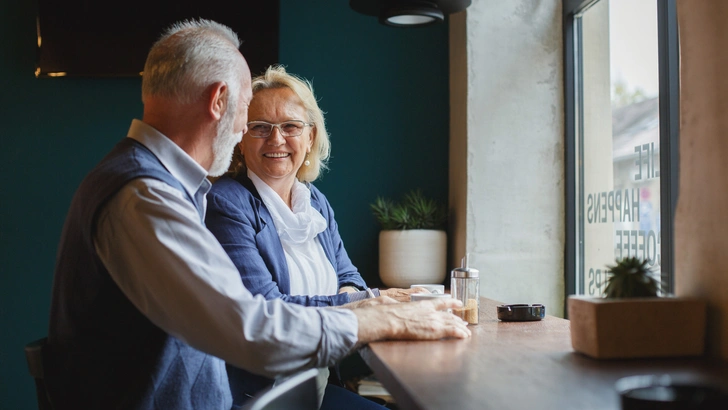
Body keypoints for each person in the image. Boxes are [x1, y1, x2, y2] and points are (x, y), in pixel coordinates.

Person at [45, 18, 470, 410]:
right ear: (220, 101)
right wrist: (381, 316)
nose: (251, 134)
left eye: (290, 126)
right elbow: (249, 328)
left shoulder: (160, 186)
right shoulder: (145, 196)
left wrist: (368, 306)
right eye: (250, 115)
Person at [204, 65, 426, 408]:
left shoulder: (315, 202)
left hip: (316, 383)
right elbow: (267, 308)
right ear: (241, 139)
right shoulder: (227, 203)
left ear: (310, 137)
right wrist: (362, 303)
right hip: (265, 395)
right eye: (260, 127)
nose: (276, 139)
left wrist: (355, 296)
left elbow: (348, 275)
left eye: (290, 126)